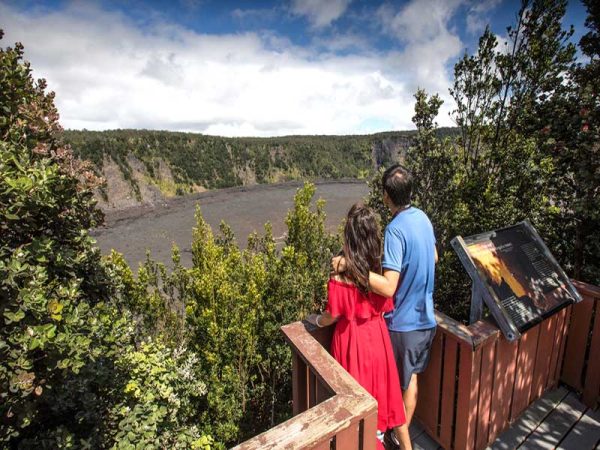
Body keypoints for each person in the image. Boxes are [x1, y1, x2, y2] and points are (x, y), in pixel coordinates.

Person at [332, 164, 437, 448]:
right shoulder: (423, 219)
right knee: (409, 381)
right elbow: (435, 257)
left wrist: (350, 267)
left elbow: (389, 287)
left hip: (404, 323)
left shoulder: (395, 229)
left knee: (392, 393)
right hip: (427, 319)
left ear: (386, 196)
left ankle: (395, 439)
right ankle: (395, 437)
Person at [307, 203, 412, 450]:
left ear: (349, 238)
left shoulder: (340, 277)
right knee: (390, 399)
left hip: (351, 343)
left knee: (356, 409)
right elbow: (385, 292)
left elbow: (332, 315)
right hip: (378, 341)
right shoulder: (378, 270)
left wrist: (317, 321)